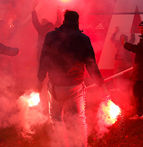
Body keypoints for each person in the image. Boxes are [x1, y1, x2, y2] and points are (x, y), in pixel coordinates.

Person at [37, 10, 110, 147]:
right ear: (77, 21)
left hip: (55, 86)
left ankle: (60, 144)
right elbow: (91, 64)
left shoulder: (51, 36)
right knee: (79, 120)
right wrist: (101, 85)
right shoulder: (83, 39)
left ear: (64, 20)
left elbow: (44, 59)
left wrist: (40, 79)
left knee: (56, 119)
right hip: (74, 85)